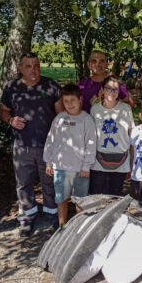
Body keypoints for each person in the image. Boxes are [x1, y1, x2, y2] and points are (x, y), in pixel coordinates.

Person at [0, 52, 63, 237]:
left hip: (48, 146)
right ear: (20, 68)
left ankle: (52, 214)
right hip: (22, 145)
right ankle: (27, 217)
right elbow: (3, 111)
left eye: (36, 65)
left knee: (50, 182)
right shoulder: (12, 87)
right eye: (28, 66)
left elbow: (61, 116)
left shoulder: (51, 85)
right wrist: (10, 120)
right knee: (24, 183)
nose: (33, 70)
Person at [43, 83, 96, 228]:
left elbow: (91, 144)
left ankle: (79, 229)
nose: (69, 104)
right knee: (61, 200)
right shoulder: (59, 118)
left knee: (80, 201)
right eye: (66, 101)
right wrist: (48, 161)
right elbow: (50, 140)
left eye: (73, 100)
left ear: (80, 100)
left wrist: (86, 166)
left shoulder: (87, 120)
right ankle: (62, 228)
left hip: (80, 170)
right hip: (60, 168)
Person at [90, 75, 135, 195]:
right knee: (97, 194)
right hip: (99, 160)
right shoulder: (95, 109)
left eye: (115, 89)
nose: (112, 92)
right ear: (103, 90)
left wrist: (132, 160)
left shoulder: (125, 109)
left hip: (121, 159)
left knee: (115, 194)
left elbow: (132, 135)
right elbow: (90, 136)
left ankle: (113, 214)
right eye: (108, 88)